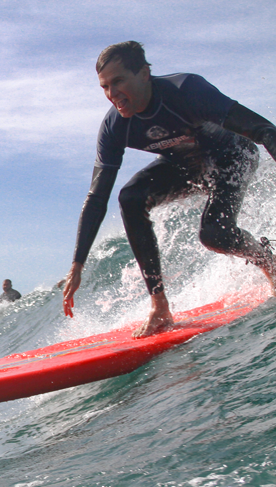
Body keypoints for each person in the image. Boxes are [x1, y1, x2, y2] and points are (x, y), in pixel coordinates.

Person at [62, 41, 276, 337]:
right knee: (130, 197)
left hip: (232, 156)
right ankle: (159, 306)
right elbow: (97, 196)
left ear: (145, 73)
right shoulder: (115, 127)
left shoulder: (186, 90)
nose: (112, 94)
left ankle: (269, 261)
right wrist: (78, 264)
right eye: (105, 87)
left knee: (214, 235)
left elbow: (265, 131)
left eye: (119, 81)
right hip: (187, 168)